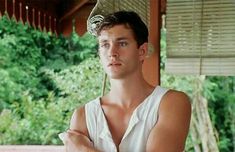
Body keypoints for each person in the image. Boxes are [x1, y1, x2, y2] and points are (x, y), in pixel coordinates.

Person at [59, 11, 191, 152]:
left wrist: (85, 150)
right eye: (105, 44)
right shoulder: (83, 116)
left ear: (142, 51)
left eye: (122, 43)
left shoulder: (171, 103)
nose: (112, 52)